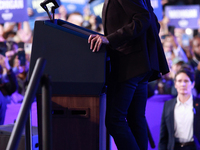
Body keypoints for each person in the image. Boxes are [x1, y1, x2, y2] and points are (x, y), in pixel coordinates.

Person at [88, 0, 169, 149]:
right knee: (135, 119)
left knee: (115, 121)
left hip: (129, 65)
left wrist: (110, 39)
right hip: (140, 65)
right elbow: (153, 23)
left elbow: (143, 18)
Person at [159, 65, 200, 150]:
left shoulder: (198, 105)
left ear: (192, 84)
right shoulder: (168, 105)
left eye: (186, 81)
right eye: (179, 81)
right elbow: (163, 137)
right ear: (175, 84)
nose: (183, 84)